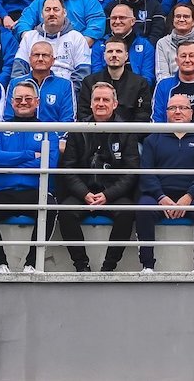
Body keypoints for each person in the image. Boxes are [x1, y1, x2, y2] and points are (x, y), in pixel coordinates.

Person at [0, 81, 62, 272]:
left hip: (36, 192)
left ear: (37, 102)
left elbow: (49, 163)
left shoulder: (49, 131)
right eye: (19, 99)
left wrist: (10, 164)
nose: (23, 102)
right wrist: (29, 155)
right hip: (3, 192)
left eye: (28, 98)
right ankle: (0, 264)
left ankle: (31, 264)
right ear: (12, 102)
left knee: (49, 207)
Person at [58, 83, 141, 271]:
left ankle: (109, 267)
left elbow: (131, 171)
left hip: (113, 194)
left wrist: (108, 195)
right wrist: (84, 193)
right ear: (91, 103)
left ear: (115, 104)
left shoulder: (127, 131)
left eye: (105, 100)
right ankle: (81, 266)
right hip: (84, 193)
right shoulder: (78, 130)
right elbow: (68, 168)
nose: (101, 103)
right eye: (97, 99)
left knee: (127, 211)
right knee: (65, 211)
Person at [138, 94, 194, 272]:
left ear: (191, 113)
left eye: (183, 108)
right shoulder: (152, 140)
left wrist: (189, 196)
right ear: (166, 113)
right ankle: (147, 265)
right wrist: (161, 197)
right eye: (172, 108)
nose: (178, 112)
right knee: (143, 207)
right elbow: (146, 173)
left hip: (192, 196)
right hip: (160, 195)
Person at [9, 0, 90, 83]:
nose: (51, 13)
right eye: (47, 10)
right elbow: (18, 70)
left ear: (65, 12)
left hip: (65, 91)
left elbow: (82, 73)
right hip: (32, 90)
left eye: (56, 9)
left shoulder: (77, 38)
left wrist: (68, 93)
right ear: (41, 14)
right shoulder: (29, 37)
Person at [80, 37, 153, 123]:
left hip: (128, 134)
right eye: (110, 51)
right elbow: (83, 114)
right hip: (95, 133)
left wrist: (126, 136)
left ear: (126, 56)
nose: (114, 55)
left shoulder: (140, 83)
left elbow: (143, 117)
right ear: (104, 56)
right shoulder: (89, 82)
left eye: (118, 51)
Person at [10, 41, 79, 123]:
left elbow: (68, 119)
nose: (40, 59)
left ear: (53, 60)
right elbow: (8, 116)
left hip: (53, 135)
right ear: (30, 59)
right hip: (20, 134)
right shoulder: (15, 83)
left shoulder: (65, 85)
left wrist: (54, 136)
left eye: (45, 55)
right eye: (36, 55)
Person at [89, 3, 157, 83]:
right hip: (105, 92)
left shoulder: (146, 46)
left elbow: (147, 79)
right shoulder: (99, 45)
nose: (117, 21)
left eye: (122, 18)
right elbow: (96, 76)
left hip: (135, 92)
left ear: (133, 21)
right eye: (114, 18)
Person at [153, 2, 194, 82]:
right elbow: (162, 76)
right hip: (170, 91)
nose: (182, 20)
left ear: (193, 21)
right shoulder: (162, 43)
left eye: (186, 16)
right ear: (173, 20)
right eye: (178, 16)